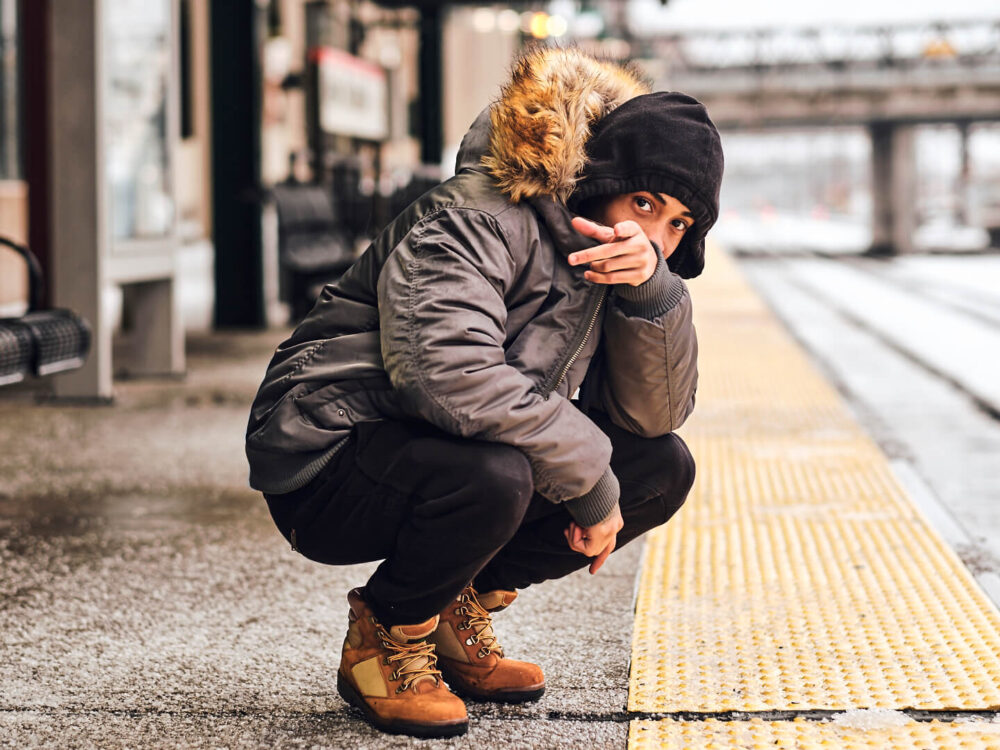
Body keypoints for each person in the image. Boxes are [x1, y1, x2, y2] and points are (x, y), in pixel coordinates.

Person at [245, 46, 724, 738]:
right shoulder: (477, 217)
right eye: (644, 202)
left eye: (677, 223)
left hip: (440, 447)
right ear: (602, 177)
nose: (651, 234)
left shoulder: (619, 262)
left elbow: (654, 415)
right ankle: (385, 637)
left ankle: (448, 606)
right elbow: (447, 376)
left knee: (658, 468)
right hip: (326, 455)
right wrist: (587, 475)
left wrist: (651, 292)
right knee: (497, 477)